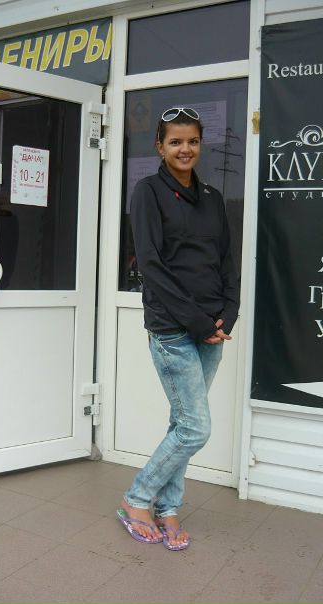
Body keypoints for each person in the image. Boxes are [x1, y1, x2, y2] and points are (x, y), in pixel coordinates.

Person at [117, 107, 240, 551]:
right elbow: (151, 264)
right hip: (173, 328)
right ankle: (137, 499)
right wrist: (199, 322)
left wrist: (230, 311)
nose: (184, 149)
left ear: (200, 144)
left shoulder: (212, 197)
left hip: (211, 328)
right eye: (175, 142)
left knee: (181, 422)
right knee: (195, 428)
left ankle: (167, 508)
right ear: (160, 147)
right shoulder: (147, 192)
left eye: (191, 141)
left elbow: (226, 259)